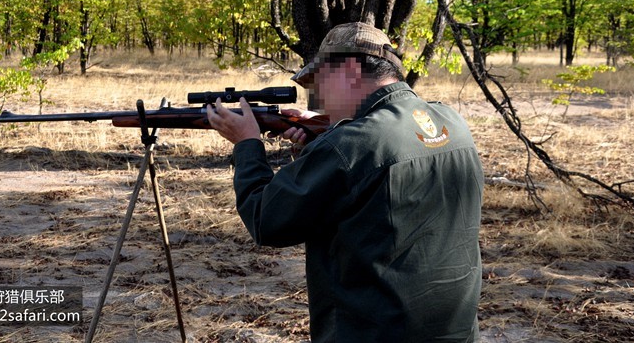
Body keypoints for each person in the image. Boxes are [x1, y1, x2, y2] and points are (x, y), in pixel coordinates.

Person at [206, 22, 484, 342]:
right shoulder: (450, 120)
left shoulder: (349, 145)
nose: (318, 98)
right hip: (454, 331)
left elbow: (265, 218)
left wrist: (246, 144)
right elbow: (371, 198)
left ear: (349, 70)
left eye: (320, 82)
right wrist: (316, 149)